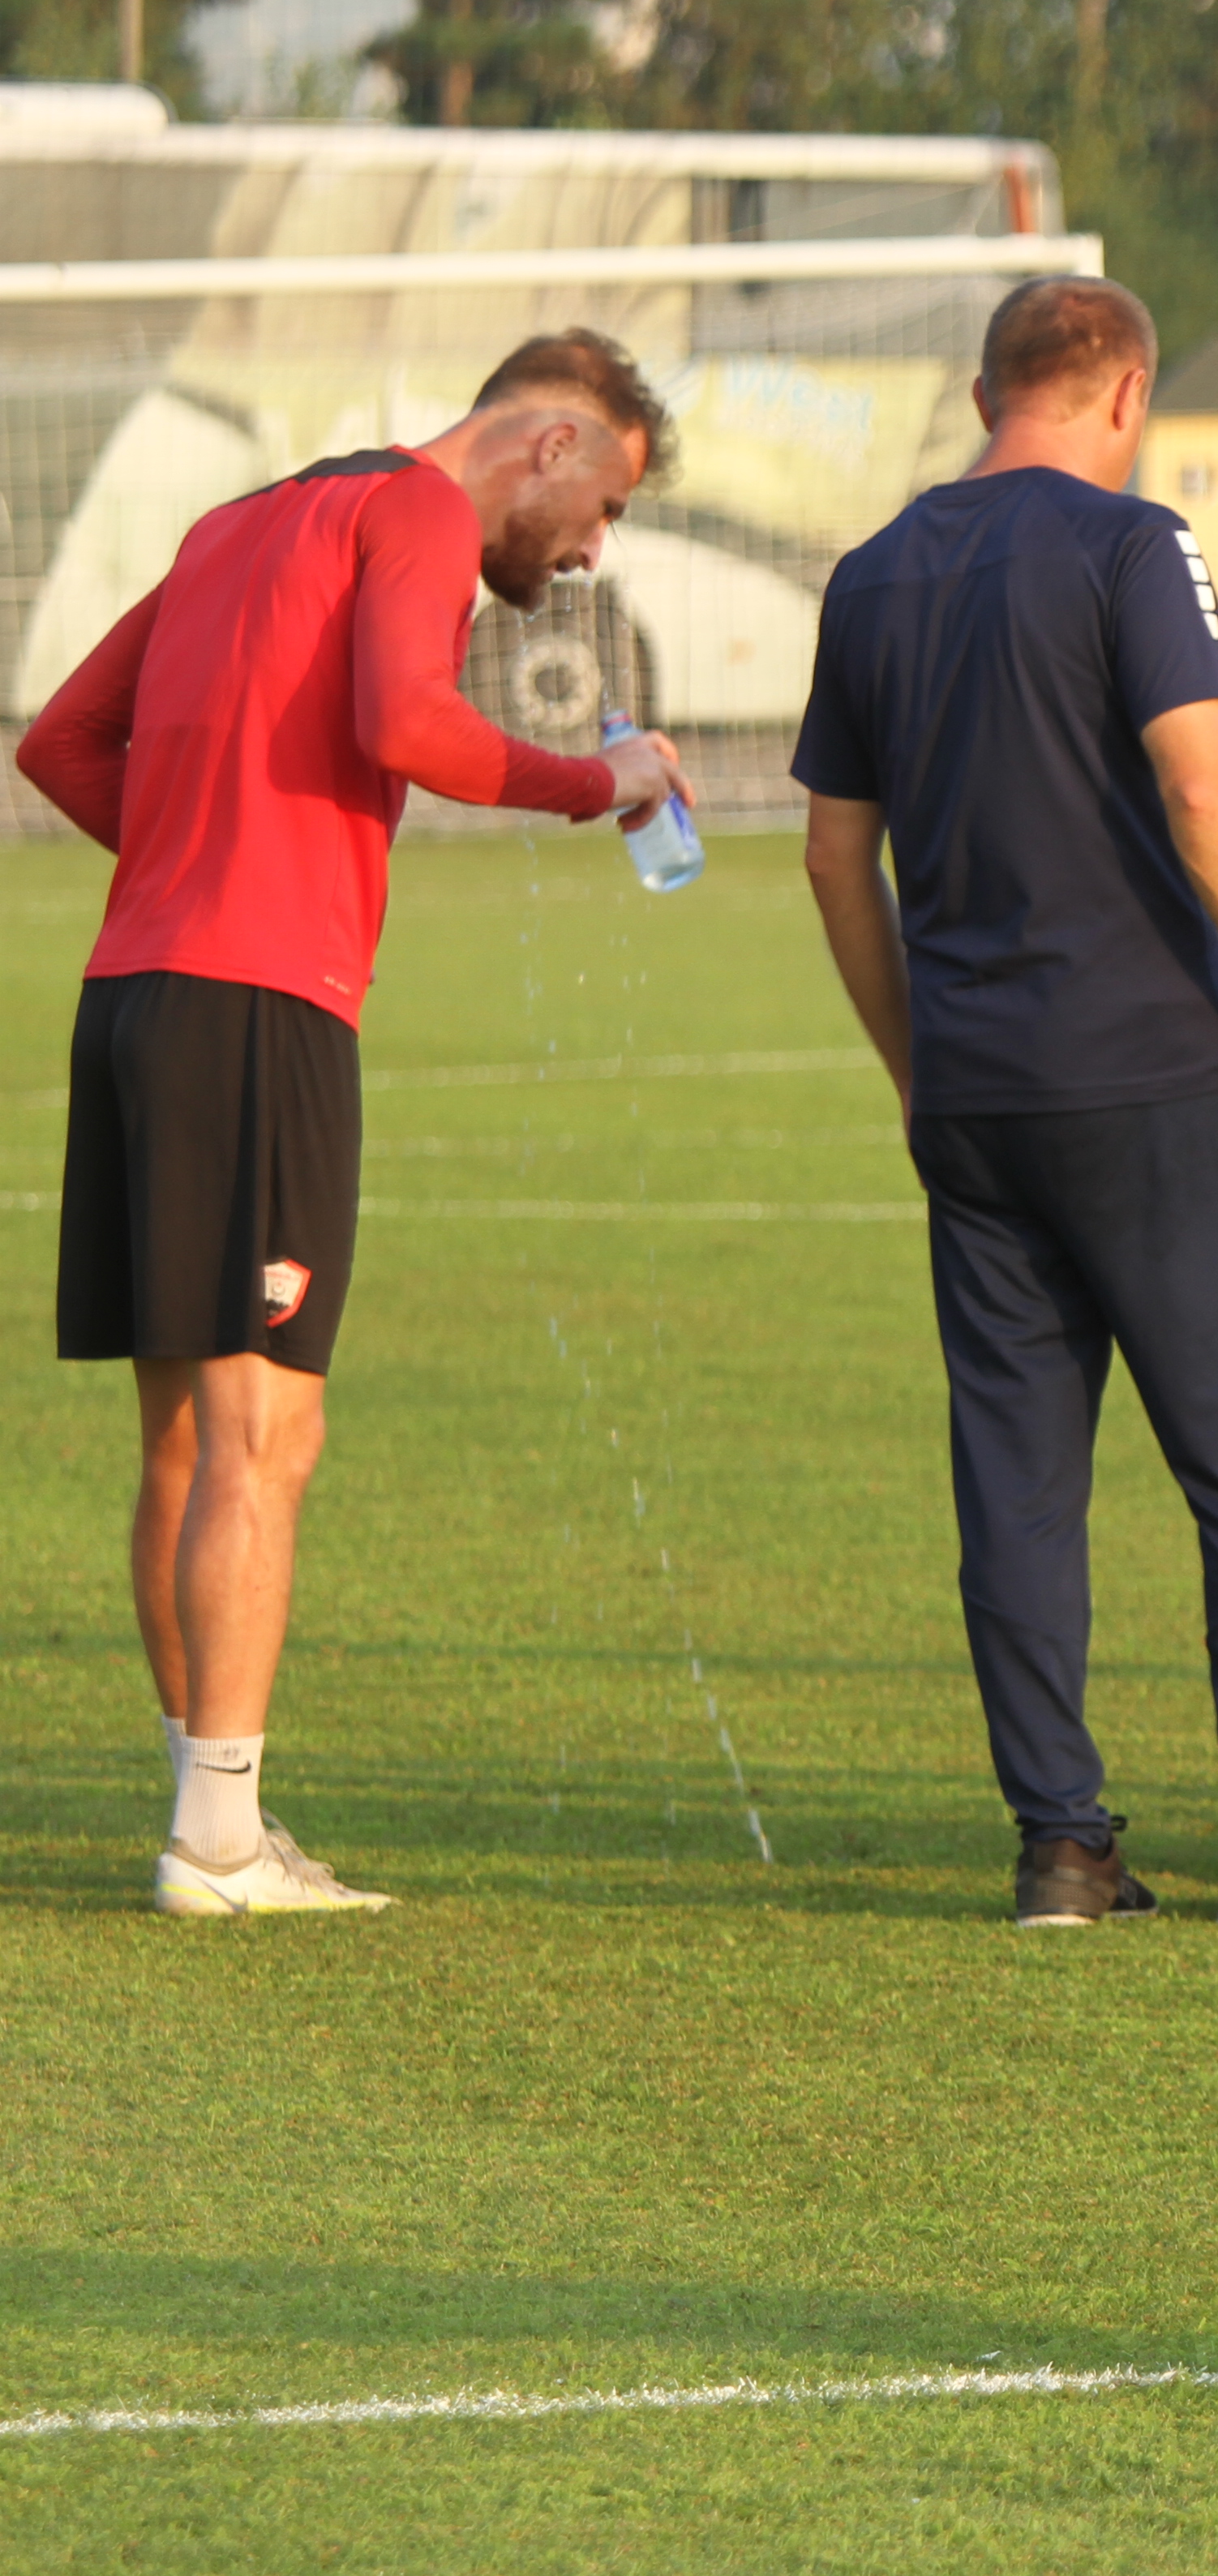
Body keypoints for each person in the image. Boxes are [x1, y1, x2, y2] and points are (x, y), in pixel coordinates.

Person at [15, 330, 691, 1916]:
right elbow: (407, 722)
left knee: (184, 1440)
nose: (596, 548)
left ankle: (213, 1811)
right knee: (269, 1437)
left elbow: (56, 741)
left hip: (135, 994)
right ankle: (221, 1846)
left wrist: (198, 848)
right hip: (257, 1007)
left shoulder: (236, 523)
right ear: (550, 442)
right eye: (605, 505)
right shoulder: (419, 518)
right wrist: (607, 785)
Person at [796, 274, 1218, 1929]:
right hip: (1148, 1072)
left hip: (981, 1097)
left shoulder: (870, 577)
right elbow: (1201, 778)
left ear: (986, 387)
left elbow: (832, 856)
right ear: (1128, 395)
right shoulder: (1135, 549)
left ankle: (1060, 1849)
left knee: (1016, 1480)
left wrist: (916, 1067)